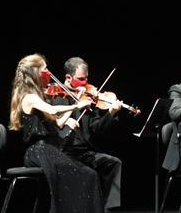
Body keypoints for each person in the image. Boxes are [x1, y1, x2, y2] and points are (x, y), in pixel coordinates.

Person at [9, 54, 104, 213]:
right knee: (87, 176)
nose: (48, 72)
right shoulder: (29, 97)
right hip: (38, 150)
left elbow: (59, 122)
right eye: (45, 69)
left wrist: (74, 102)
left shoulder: (39, 95)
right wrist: (76, 106)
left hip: (48, 149)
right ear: (35, 72)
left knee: (90, 174)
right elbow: (53, 110)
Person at [48, 57, 123, 211]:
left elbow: (97, 129)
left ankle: (109, 209)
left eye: (86, 78)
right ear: (68, 78)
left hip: (85, 152)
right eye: (81, 79)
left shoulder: (89, 98)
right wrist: (76, 106)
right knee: (89, 174)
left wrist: (111, 113)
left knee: (114, 162)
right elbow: (54, 126)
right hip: (64, 151)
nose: (85, 83)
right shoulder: (57, 96)